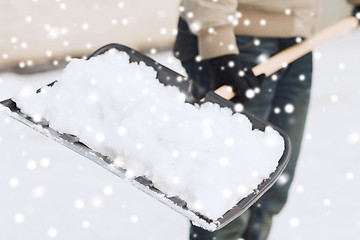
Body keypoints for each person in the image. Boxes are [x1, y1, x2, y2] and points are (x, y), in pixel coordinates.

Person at [173, 1, 360, 239]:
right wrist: (220, 48)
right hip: (238, 41)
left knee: (271, 189)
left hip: (298, 40)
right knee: (228, 197)